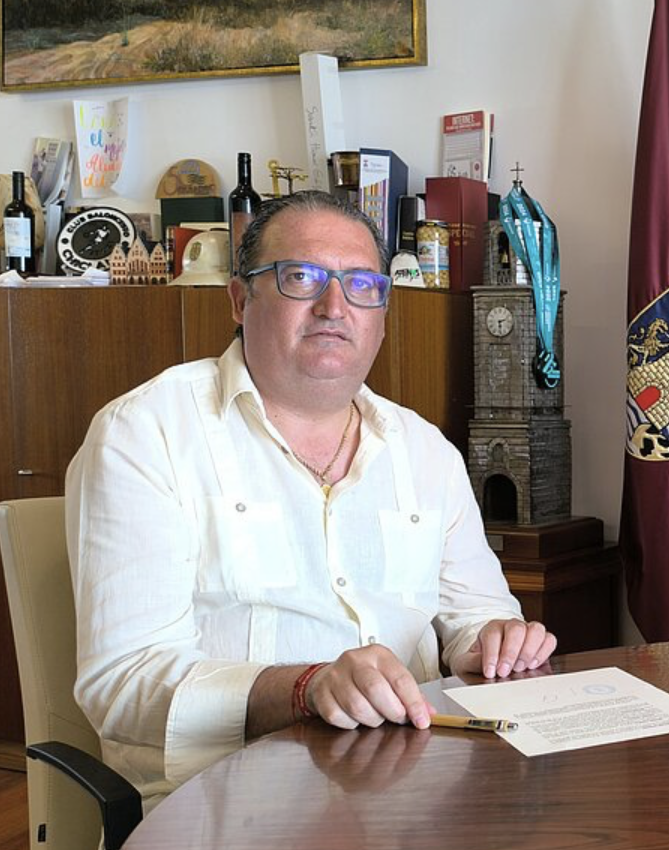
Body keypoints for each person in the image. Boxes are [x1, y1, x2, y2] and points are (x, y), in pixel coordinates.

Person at [67, 192, 555, 809]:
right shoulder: (147, 434)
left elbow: (472, 618)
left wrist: (494, 642)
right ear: (241, 300)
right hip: (225, 805)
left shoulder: (427, 451)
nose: (335, 307)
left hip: (413, 792)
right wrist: (306, 688)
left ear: (381, 312)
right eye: (302, 277)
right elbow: (124, 682)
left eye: (361, 285)